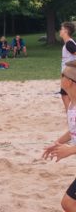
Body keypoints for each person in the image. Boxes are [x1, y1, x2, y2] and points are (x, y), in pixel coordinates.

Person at [42, 60, 76, 212]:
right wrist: (57, 142)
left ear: (69, 81)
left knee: (68, 203)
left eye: (62, 76)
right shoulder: (71, 104)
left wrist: (70, 150)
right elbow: (73, 131)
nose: (60, 79)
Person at [59, 22, 76, 111]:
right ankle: (70, 116)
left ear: (65, 31)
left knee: (68, 97)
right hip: (68, 74)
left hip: (69, 75)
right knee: (65, 95)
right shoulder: (69, 43)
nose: (60, 31)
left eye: (61, 29)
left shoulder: (69, 44)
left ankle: (70, 117)